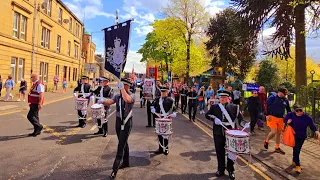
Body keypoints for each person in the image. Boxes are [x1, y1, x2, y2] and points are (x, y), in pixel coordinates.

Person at [205, 90, 245, 179]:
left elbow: (240, 119)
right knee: (219, 151)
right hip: (218, 132)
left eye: (224, 97)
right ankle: (221, 169)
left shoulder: (235, 107)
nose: (222, 99)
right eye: (221, 97)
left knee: (232, 151)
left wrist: (244, 124)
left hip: (231, 132)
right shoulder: (215, 107)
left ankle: (231, 169)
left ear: (228, 98)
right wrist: (214, 119)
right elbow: (207, 115)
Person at [101, 78, 135, 179]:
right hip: (118, 121)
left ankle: (114, 170)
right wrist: (101, 101)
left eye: (123, 85)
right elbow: (110, 102)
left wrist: (123, 90)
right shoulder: (117, 96)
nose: (121, 86)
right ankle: (126, 162)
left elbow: (127, 99)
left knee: (120, 145)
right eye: (121, 84)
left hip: (127, 121)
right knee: (124, 141)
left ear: (127, 86)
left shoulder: (131, 95)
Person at [284, 104, 320, 174]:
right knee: (296, 149)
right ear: (294, 111)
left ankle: (294, 161)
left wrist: (317, 131)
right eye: (297, 111)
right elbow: (285, 120)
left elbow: (312, 126)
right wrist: (287, 121)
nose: (299, 112)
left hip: (302, 136)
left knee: (297, 149)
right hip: (293, 135)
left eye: (301, 110)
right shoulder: (291, 114)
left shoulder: (307, 117)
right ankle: (298, 165)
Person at [264, 88, 291, 154]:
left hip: (280, 118)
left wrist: (290, 117)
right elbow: (266, 106)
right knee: (274, 131)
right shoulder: (272, 97)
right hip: (272, 117)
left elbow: (288, 109)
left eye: (285, 94)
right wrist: (267, 115)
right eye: (284, 94)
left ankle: (277, 147)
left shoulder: (285, 99)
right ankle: (266, 141)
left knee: (279, 133)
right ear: (279, 92)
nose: (285, 95)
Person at [151, 86, 177, 155]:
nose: (162, 93)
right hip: (159, 118)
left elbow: (174, 108)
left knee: (165, 134)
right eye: (162, 92)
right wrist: (152, 109)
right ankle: (160, 148)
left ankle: (166, 148)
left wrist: (174, 113)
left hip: (166, 118)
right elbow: (152, 105)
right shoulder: (157, 99)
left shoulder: (170, 100)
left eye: (164, 92)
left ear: (167, 92)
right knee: (159, 133)